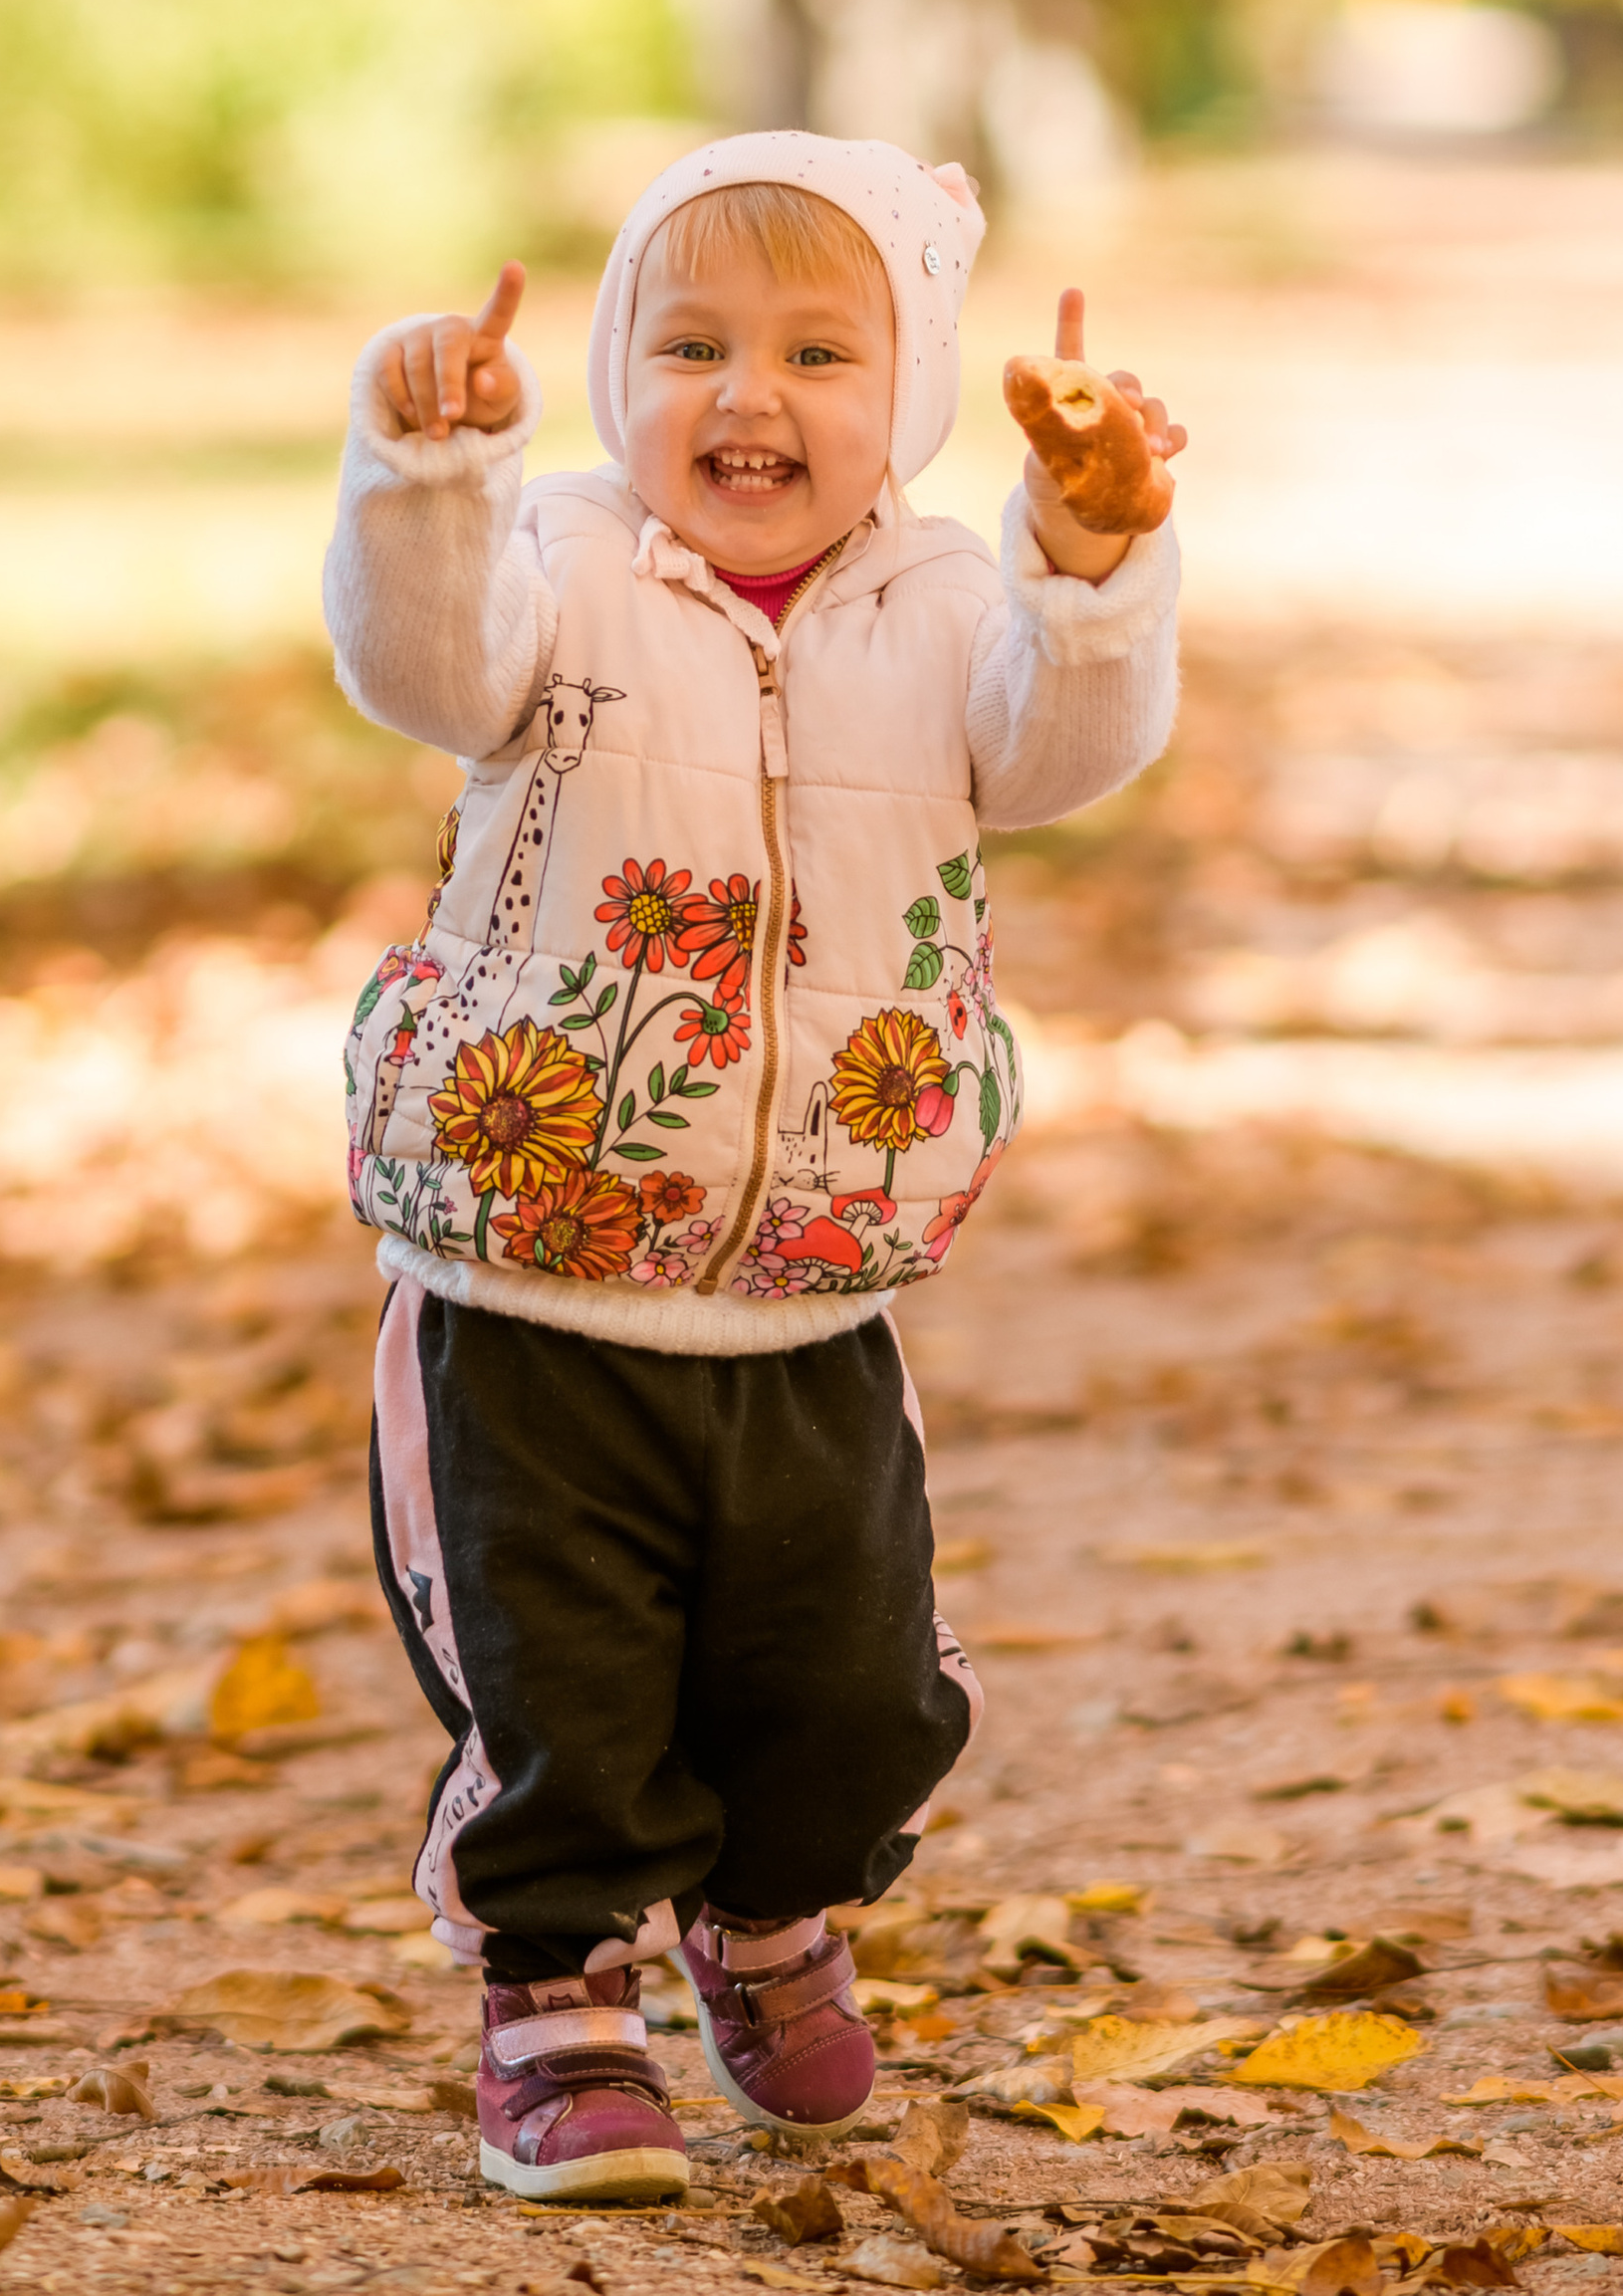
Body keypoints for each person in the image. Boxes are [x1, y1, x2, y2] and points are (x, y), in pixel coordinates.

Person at [323, 132, 1186, 2205]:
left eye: (819, 350)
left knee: (843, 1676)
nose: (748, 395)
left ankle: (773, 1905)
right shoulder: (561, 565)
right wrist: (430, 477)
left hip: (819, 1265)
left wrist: (1085, 553)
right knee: (565, 1674)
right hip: (538, 1267)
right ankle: (555, 1993)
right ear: (616, 371)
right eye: (687, 341)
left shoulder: (944, 599)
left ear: (909, 396)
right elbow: (418, 666)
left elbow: (1066, 755)